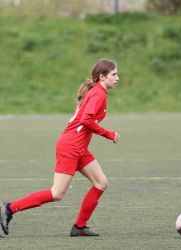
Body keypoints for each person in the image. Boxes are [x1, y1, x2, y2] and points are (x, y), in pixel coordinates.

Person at [0, 58, 120, 237]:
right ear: (102, 77)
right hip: (71, 147)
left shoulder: (96, 91)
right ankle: (8, 209)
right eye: (114, 74)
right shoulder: (99, 94)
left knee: (101, 183)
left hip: (78, 147)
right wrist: (108, 134)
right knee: (57, 193)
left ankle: (79, 226)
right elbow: (86, 120)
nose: (117, 78)